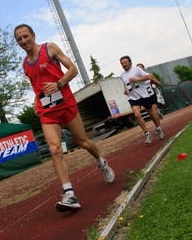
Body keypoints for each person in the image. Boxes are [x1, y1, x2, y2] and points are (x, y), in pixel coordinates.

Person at [14, 24, 115, 212]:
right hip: (48, 112)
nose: (23, 41)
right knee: (54, 149)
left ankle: (102, 162)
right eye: (19, 39)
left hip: (66, 104)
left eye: (25, 36)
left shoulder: (49, 48)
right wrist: (37, 102)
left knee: (83, 142)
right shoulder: (25, 65)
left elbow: (72, 69)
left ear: (33, 35)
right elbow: (37, 87)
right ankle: (69, 194)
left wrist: (59, 83)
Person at [120, 56, 164, 144]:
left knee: (151, 113)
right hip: (132, 97)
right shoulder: (122, 74)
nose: (124, 64)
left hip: (143, 95)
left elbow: (148, 77)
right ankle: (147, 133)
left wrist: (137, 79)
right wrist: (125, 89)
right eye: (122, 63)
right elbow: (125, 83)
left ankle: (158, 128)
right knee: (136, 115)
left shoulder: (137, 69)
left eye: (125, 62)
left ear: (130, 63)